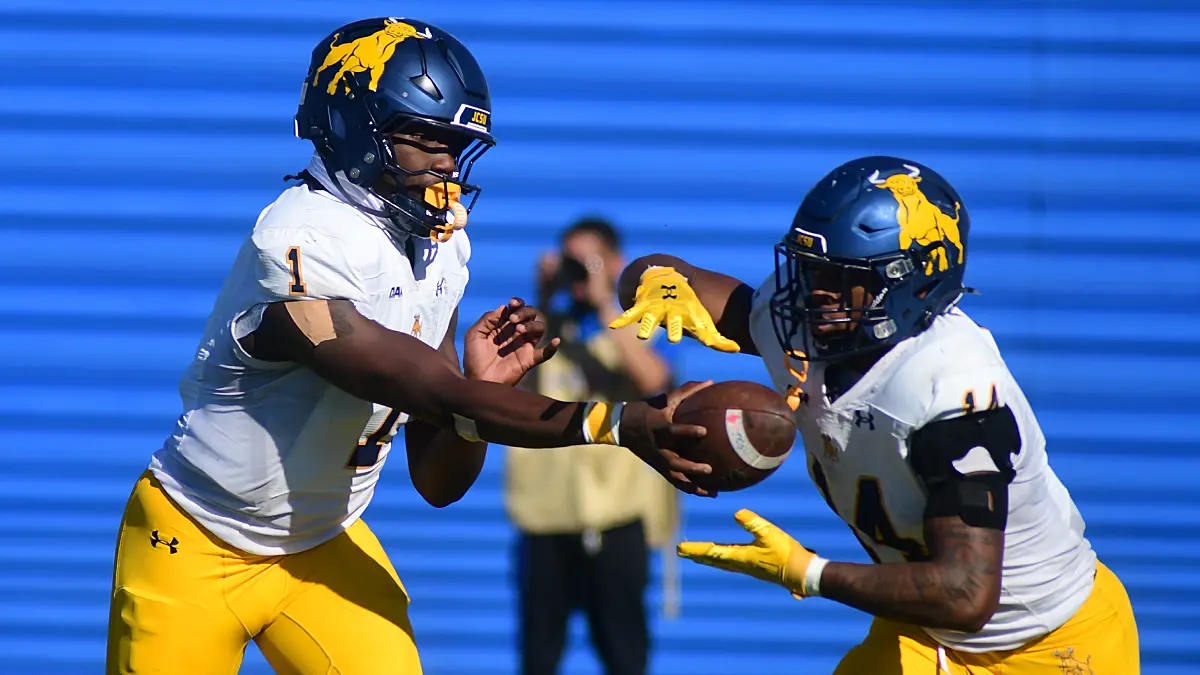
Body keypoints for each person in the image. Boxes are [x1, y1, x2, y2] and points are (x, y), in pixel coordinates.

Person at [104, 17, 714, 675]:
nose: (446, 162)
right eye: (424, 136)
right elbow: (423, 387)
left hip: (320, 542)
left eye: (455, 142)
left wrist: (484, 397)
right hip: (196, 538)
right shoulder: (299, 239)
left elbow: (437, 477)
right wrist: (614, 422)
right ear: (350, 126)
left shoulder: (439, 245)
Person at [609, 156, 1140, 674]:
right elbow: (669, 277)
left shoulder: (952, 391)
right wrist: (650, 278)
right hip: (927, 632)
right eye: (809, 269)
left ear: (914, 283)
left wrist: (809, 572)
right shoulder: (813, 324)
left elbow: (967, 593)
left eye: (839, 278)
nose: (813, 293)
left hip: (1052, 646)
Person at [505, 217, 680, 675]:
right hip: (544, 521)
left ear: (616, 264)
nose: (579, 272)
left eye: (589, 261)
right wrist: (541, 300)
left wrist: (605, 300)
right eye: (571, 262)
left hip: (618, 520)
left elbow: (655, 381)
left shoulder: (643, 327)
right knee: (537, 660)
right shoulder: (548, 332)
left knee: (626, 658)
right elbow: (505, 388)